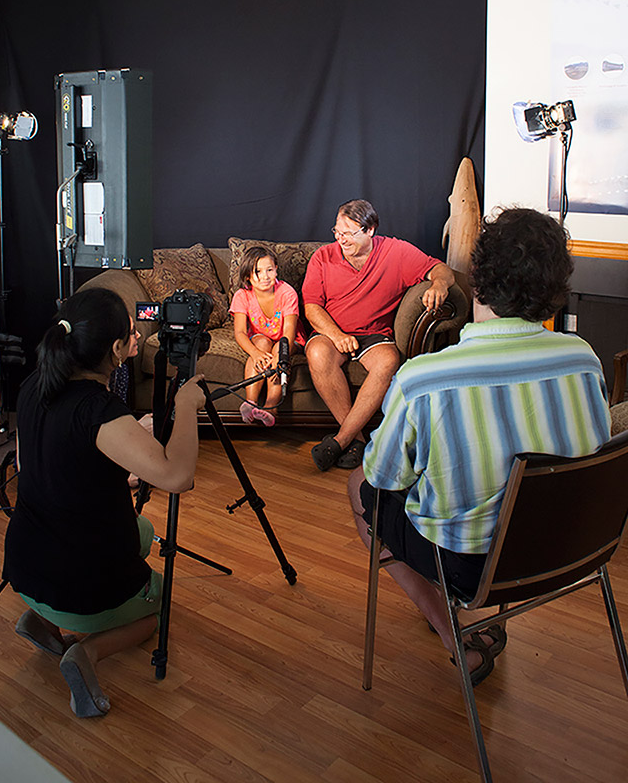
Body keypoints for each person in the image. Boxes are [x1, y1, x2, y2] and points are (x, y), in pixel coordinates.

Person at [348, 207, 611, 686]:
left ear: (481, 281)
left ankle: (458, 636)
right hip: (571, 548)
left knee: (357, 487)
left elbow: (385, 479)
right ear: (555, 287)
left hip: (471, 566)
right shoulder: (585, 359)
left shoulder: (424, 380)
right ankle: (484, 620)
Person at [2, 288, 206, 717]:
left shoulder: (34, 385)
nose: (137, 338)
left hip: (25, 564)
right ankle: (87, 653)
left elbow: (35, 465)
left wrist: (123, 452)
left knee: (144, 531)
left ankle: (40, 619)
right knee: (157, 608)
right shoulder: (99, 410)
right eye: (131, 333)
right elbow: (177, 477)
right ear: (116, 350)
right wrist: (186, 405)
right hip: (74, 579)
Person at [302, 199, 455, 471]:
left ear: (370, 229)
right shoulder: (322, 257)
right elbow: (312, 308)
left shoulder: (396, 252)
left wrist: (440, 284)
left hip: (374, 335)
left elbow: (439, 269)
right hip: (331, 332)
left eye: (349, 233)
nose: (341, 239)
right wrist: (336, 335)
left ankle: (341, 440)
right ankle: (356, 440)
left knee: (388, 360)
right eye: (337, 231)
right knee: (316, 352)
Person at [230, 245, 306, 426]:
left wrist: (280, 356)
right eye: (258, 271)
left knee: (280, 350)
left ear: (276, 270)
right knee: (262, 345)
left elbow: (288, 332)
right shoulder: (242, 296)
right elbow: (240, 332)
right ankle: (250, 402)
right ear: (248, 275)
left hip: (289, 340)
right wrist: (255, 354)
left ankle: (271, 406)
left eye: (269, 270)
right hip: (260, 337)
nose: (264, 276)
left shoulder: (287, 293)